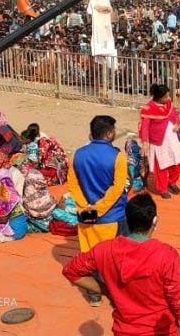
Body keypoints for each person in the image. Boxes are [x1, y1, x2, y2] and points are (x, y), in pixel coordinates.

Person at [62, 193, 180, 336]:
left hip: (124, 330)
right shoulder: (166, 255)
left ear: (127, 221)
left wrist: (108, 290)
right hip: (159, 331)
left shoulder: (104, 250)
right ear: (155, 221)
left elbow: (71, 271)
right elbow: (178, 298)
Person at [66, 115, 128, 306]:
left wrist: (86, 207)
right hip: (113, 217)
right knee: (116, 259)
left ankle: (94, 295)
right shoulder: (118, 156)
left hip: (86, 216)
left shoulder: (77, 154)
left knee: (91, 255)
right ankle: (117, 295)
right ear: (110, 134)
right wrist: (99, 208)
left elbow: (73, 184)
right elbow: (118, 188)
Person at [139, 84, 180, 199]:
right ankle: (163, 188)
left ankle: (172, 182)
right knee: (162, 166)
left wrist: (177, 123)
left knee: (178, 162)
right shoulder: (148, 108)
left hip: (172, 139)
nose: (168, 98)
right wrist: (145, 142)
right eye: (166, 96)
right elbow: (144, 127)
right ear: (159, 98)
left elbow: (175, 114)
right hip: (158, 142)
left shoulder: (169, 104)